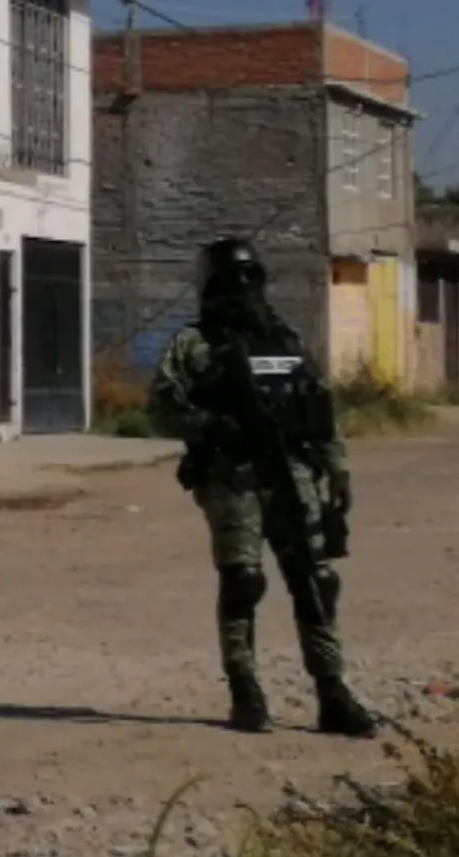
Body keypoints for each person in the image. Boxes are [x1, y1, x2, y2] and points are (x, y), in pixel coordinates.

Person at [147, 237, 379, 738]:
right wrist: (213, 426)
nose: (243, 289)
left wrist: (337, 470)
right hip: (232, 477)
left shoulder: (285, 340)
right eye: (232, 279)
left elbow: (318, 407)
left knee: (316, 581)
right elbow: (161, 410)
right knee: (243, 580)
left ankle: (333, 693)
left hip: (294, 475)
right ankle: (245, 690)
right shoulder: (192, 344)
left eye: (251, 278)